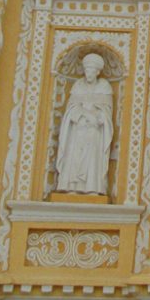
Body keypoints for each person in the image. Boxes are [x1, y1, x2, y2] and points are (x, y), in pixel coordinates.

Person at [55, 53, 114, 195]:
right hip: (78, 130)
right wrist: (84, 113)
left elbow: (107, 111)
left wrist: (98, 117)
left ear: (97, 72)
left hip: (94, 132)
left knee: (92, 159)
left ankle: (93, 187)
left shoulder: (104, 86)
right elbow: (71, 108)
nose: (89, 74)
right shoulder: (78, 85)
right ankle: (72, 187)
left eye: (92, 71)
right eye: (87, 70)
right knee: (73, 157)